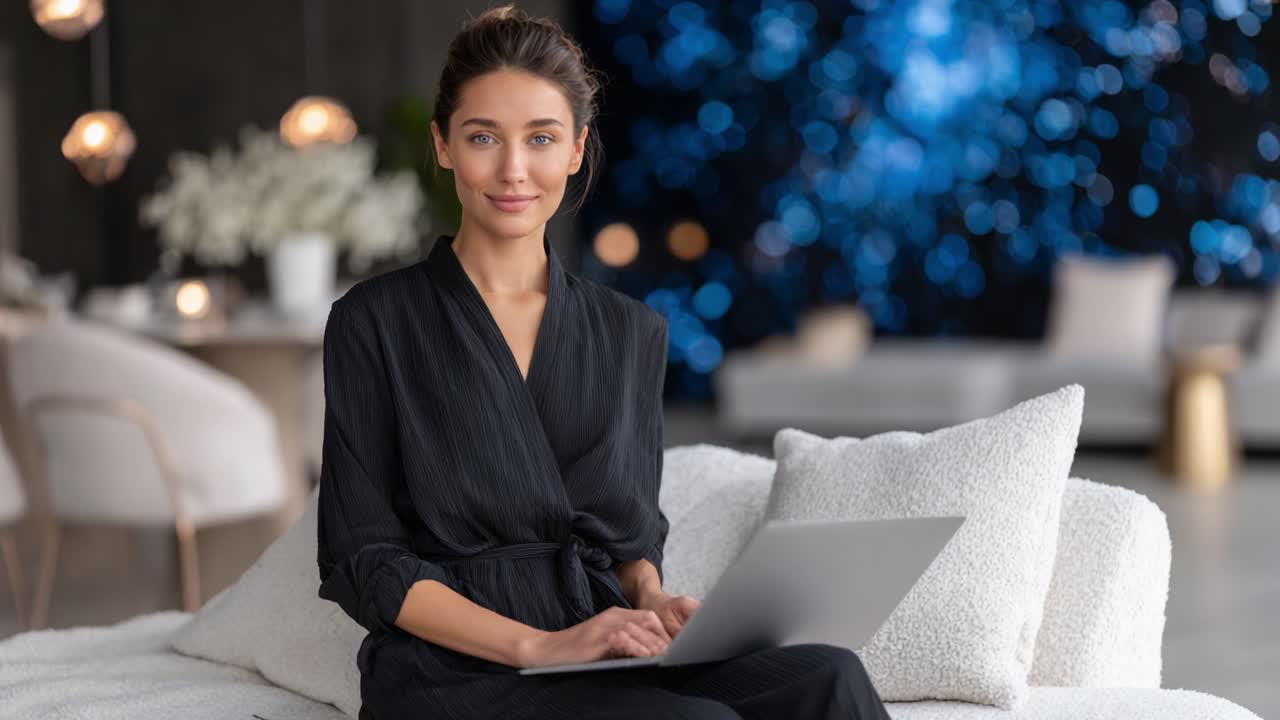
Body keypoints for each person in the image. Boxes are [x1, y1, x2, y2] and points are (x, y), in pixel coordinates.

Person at [315, 6, 893, 719]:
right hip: (457, 672)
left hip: (603, 639)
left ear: (577, 148)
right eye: (482, 137)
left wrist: (652, 601)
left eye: (541, 138)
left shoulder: (631, 332)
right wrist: (537, 646)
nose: (513, 170)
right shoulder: (374, 322)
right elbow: (363, 557)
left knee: (831, 677)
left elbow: (630, 535)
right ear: (443, 145)